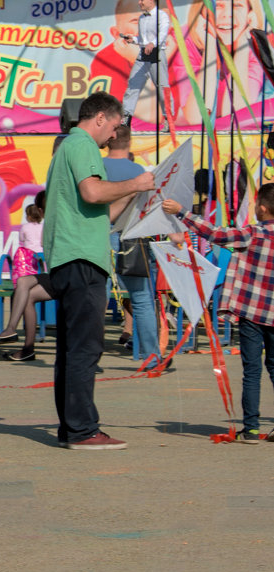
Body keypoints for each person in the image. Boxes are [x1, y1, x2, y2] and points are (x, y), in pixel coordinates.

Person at [44, 92, 154, 450]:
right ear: (102, 117)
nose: (115, 135)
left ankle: (72, 428)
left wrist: (131, 196)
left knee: (72, 349)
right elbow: (93, 192)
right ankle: (82, 430)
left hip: (71, 255)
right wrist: (136, 183)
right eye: (116, 125)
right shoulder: (83, 146)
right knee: (84, 349)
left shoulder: (68, 147)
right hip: (81, 259)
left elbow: (99, 212)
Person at [163, 187, 274, 442]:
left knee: (252, 371)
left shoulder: (252, 234)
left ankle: (252, 428)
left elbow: (215, 233)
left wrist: (182, 212)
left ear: (262, 208)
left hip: (251, 312)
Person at [102, 125, 159, 362]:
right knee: (142, 298)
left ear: (108, 140)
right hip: (130, 238)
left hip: (99, 236)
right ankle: (151, 355)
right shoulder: (138, 171)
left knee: (95, 298)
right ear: (130, 142)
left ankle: (86, 353)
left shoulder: (97, 167)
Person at [0, 203, 51, 362]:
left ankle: (13, 330)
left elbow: (24, 243)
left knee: (23, 286)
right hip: (49, 269)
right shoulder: (46, 226)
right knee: (25, 290)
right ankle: (21, 340)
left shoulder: (30, 227)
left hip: (66, 274)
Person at [121, 0, 171, 127]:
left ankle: (168, 119)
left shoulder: (162, 16)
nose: (139, 2)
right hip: (143, 54)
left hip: (157, 53)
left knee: (162, 87)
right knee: (133, 84)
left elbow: (163, 34)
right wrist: (133, 39)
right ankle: (126, 118)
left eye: (142, 0)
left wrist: (153, 43)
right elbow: (143, 39)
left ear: (151, 1)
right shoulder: (142, 18)